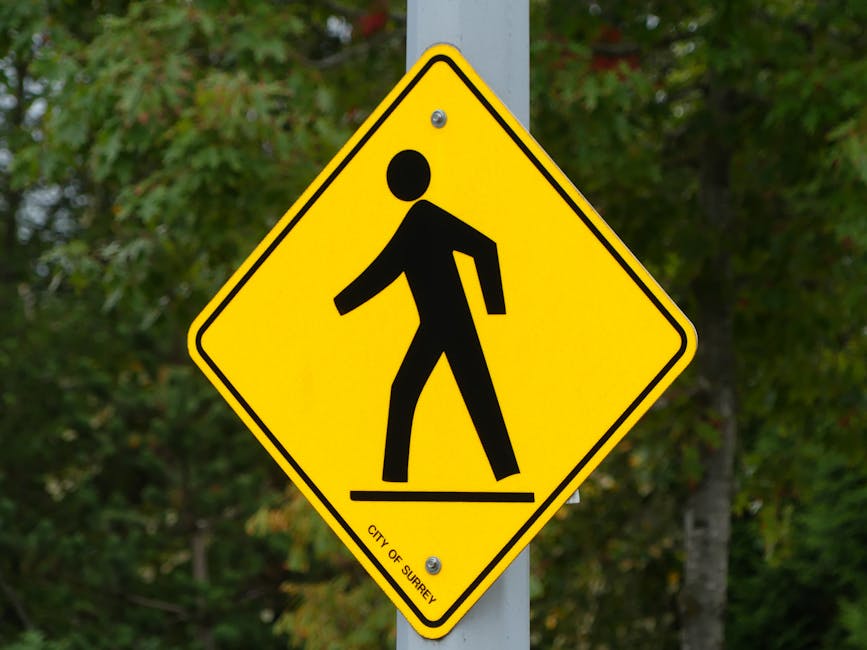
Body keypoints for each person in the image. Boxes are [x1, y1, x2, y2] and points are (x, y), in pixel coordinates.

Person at [335, 149, 520, 483]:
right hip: (438, 323)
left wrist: (495, 309)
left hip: (451, 321)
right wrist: (341, 305)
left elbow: (485, 247)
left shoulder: (424, 218)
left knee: (466, 396)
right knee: (424, 392)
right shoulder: (419, 219)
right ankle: (397, 479)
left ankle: (505, 475)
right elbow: (385, 270)